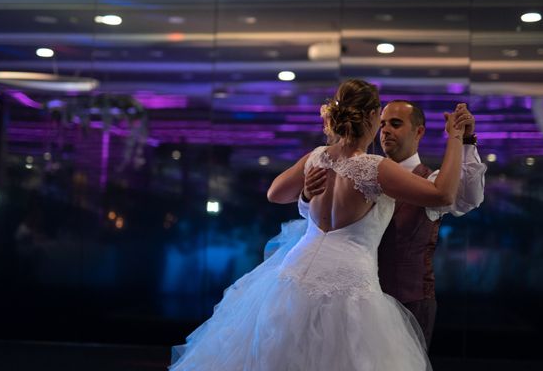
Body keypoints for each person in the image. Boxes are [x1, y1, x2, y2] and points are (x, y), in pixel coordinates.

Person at [170, 79, 464, 371]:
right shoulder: (375, 168)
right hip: (348, 281)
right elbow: (443, 194)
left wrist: (307, 193)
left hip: (295, 272)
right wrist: (455, 138)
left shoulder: (317, 157)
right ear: (372, 116)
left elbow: (275, 194)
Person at [286, 99, 486, 347]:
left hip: (408, 301)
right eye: (382, 124)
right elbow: (320, 221)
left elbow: (468, 197)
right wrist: (306, 195)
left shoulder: (431, 181)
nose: (386, 130)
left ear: (419, 131)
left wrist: (465, 142)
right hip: (351, 301)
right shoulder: (363, 171)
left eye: (396, 123)